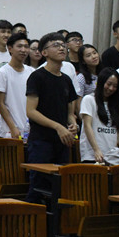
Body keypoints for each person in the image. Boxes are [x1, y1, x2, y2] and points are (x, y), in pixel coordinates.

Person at [25, 32, 78, 203]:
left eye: (63, 45)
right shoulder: (37, 77)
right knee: (38, 188)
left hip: (63, 142)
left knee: (59, 190)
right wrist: (58, 126)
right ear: (44, 52)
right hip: (41, 141)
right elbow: (31, 111)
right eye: (56, 45)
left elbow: (70, 113)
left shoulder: (66, 80)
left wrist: (73, 124)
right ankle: (31, 219)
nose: (61, 48)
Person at [79, 68, 119, 164]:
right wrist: (96, 150)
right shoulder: (89, 99)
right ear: (101, 82)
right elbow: (87, 126)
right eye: (109, 84)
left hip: (112, 158)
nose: (111, 88)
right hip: (92, 156)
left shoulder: (116, 104)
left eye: (115, 86)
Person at [0, 33, 34, 139]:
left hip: (27, 129)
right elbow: (0, 103)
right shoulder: (2, 72)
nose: (23, 50)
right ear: (10, 48)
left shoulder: (31, 72)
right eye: (19, 46)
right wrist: (12, 127)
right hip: (7, 130)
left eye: (26, 47)